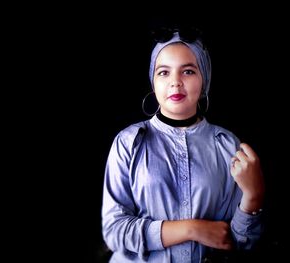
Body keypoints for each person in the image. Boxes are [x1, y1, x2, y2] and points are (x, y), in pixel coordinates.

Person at [101, 27, 265, 262]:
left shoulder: (229, 146)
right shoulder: (127, 143)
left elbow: (239, 242)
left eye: (188, 71)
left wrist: (254, 195)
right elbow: (114, 232)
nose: (175, 82)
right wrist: (193, 229)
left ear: (204, 78)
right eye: (164, 72)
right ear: (153, 81)